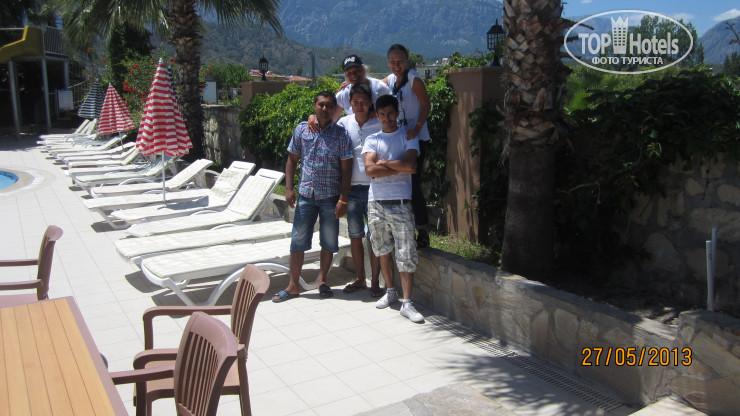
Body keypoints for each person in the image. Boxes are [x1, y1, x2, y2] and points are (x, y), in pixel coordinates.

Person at [273, 91, 353, 302]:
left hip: (330, 197)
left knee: (328, 240)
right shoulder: (302, 129)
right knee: (298, 240)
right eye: (321, 105)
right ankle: (293, 285)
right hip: (306, 195)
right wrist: (288, 188)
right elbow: (292, 159)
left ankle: (322, 281)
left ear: (335, 108)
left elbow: (347, 169)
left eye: (329, 105)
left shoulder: (341, 135)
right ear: (315, 106)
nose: (325, 109)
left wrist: (343, 199)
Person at [362, 94, 424, 323]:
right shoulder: (372, 139)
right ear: (377, 116)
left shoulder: (409, 136)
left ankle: (407, 303)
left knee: (406, 253)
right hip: (376, 203)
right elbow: (370, 171)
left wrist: (383, 164)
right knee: (382, 250)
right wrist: (398, 166)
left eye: (390, 113)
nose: (387, 118)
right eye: (382, 114)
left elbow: (410, 164)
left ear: (397, 113)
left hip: (400, 203)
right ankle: (390, 292)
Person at [383, 44, 432, 249]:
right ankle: (402, 228)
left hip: (416, 140)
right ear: (388, 62)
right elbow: (370, 86)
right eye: (393, 61)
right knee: (400, 184)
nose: (397, 65)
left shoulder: (413, 79)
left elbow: (426, 104)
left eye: (400, 61)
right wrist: (348, 85)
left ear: (407, 60)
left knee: (413, 184)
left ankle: (423, 231)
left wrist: (417, 128)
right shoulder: (389, 81)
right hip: (399, 139)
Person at [338, 84, 384, 297]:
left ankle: (375, 282)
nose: (359, 105)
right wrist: (311, 118)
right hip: (352, 190)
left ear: (370, 103)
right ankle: (360, 278)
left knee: (374, 237)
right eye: (355, 102)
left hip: (375, 189)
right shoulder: (343, 123)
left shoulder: (379, 123)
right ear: (349, 103)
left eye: (364, 102)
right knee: (355, 236)